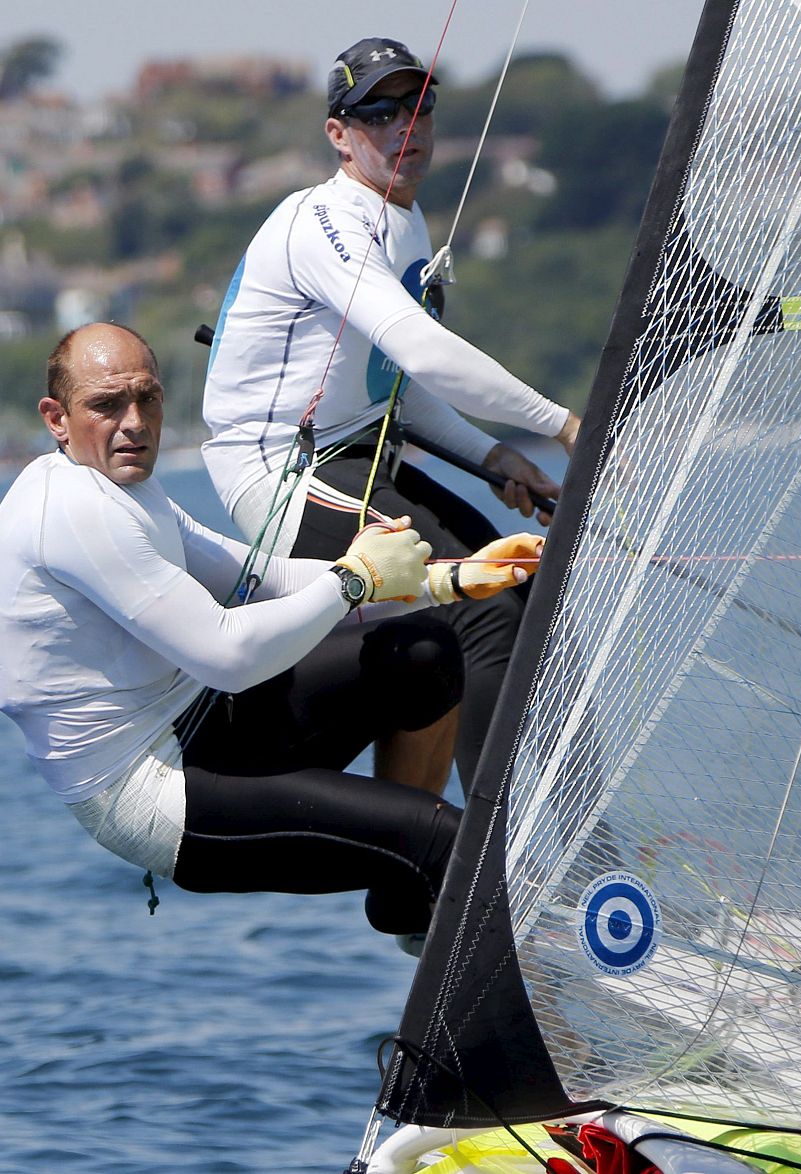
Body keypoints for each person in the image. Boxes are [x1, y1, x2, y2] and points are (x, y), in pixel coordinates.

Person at [0, 322, 544, 940]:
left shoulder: (125, 488)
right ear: (56, 419)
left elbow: (261, 578)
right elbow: (229, 655)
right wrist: (353, 582)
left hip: (202, 721)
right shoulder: (73, 511)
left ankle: (405, 896)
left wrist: (453, 578)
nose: (135, 422)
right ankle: (512, 985)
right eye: (107, 406)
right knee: (455, 845)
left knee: (422, 650)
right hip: (158, 795)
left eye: (148, 398)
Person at [200, 36, 580, 792]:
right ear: (338, 135)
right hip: (279, 476)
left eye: (418, 106)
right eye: (377, 112)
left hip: (355, 454)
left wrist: (492, 457)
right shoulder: (324, 220)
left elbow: (395, 387)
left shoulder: (404, 223)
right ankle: (488, 869)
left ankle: (581, 844)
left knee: (527, 584)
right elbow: (425, 350)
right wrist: (566, 425)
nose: (404, 126)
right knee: (481, 607)